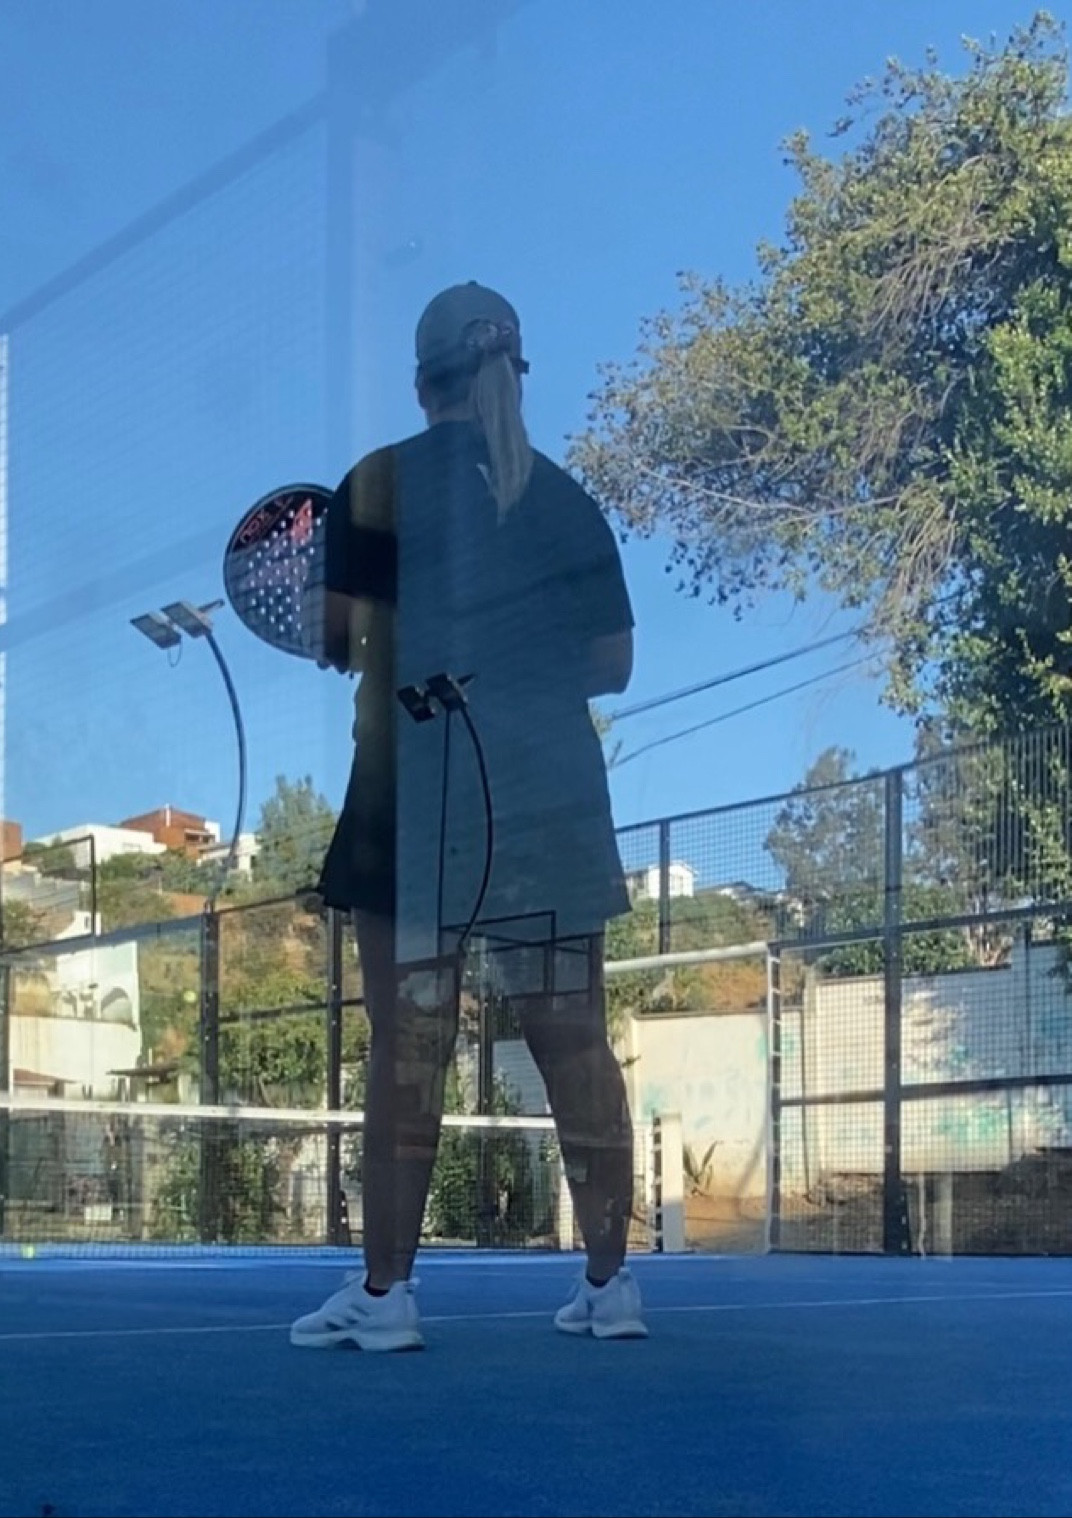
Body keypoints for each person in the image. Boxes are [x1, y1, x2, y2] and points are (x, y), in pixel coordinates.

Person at [291, 282, 645, 1350]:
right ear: (514, 374)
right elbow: (612, 662)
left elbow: (333, 633)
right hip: (547, 800)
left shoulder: (379, 482)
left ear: (421, 381)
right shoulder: (565, 500)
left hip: (415, 791)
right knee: (574, 1043)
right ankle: (611, 1286)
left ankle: (387, 1297)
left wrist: (345, 624)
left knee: (409, 1043)